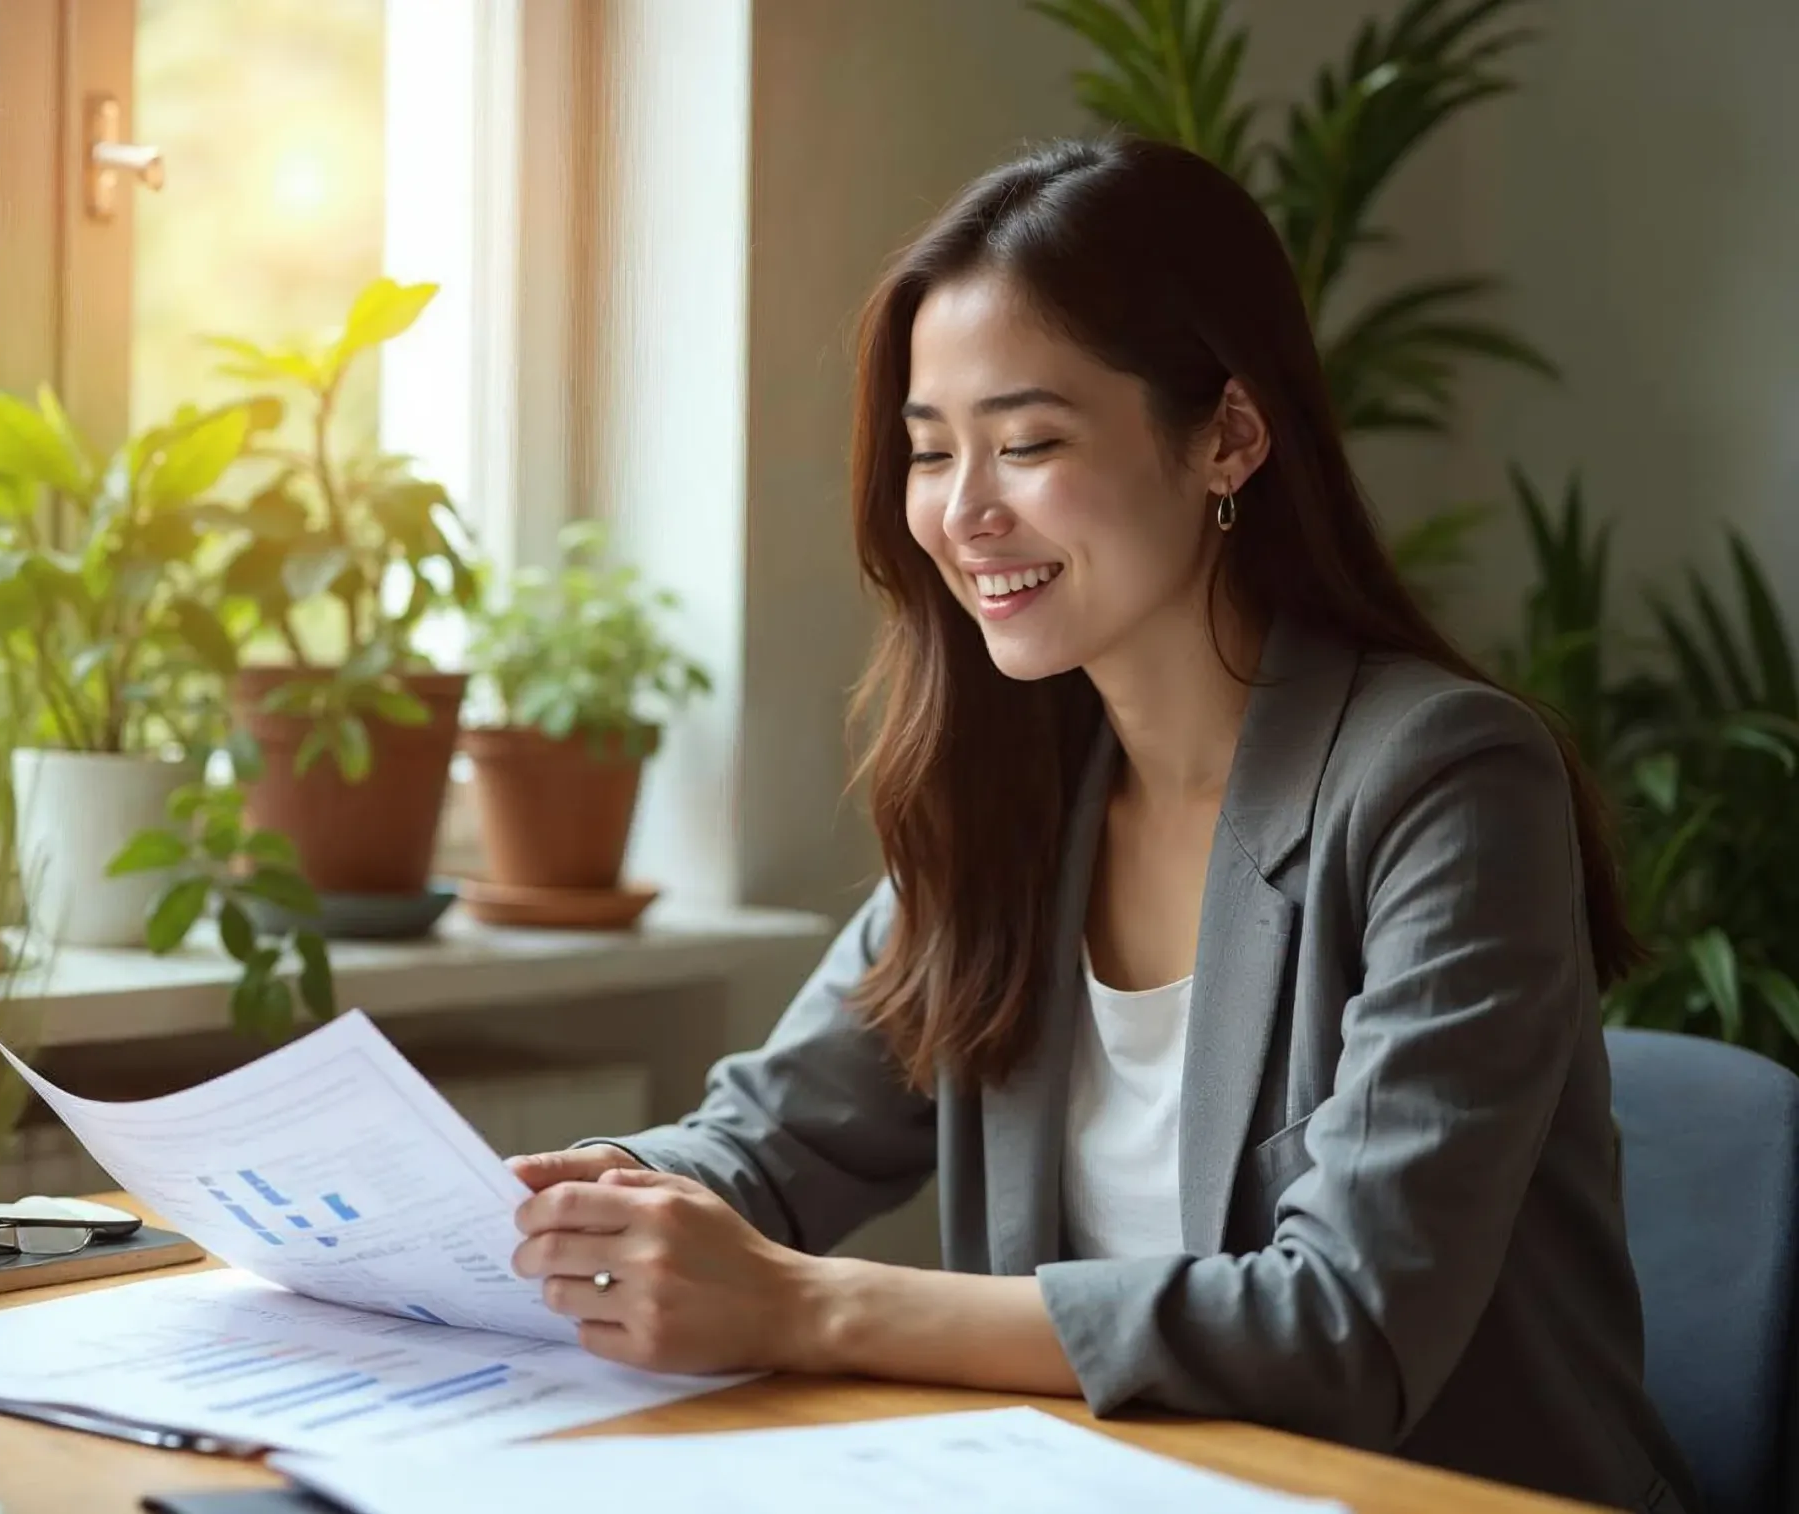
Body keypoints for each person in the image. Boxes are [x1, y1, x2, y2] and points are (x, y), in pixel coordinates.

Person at [507, 135, 1698, 1514]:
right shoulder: (1018, 795)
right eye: (929, 451)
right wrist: (570, 1194)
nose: (965, 513)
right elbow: (773, 1145)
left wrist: (807, 1308)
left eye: (1027, 443)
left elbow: (1347, 1326)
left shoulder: (1448, 782)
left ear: (1229, 437)